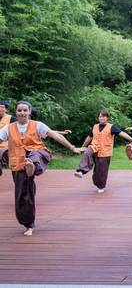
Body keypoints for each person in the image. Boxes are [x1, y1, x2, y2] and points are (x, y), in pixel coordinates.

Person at [0, 101, 81, 236]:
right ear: (16, 112)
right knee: (23, 194)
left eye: (25, 110)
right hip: (17, 162)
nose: (22, 113)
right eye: (19, 110)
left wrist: (72, 147)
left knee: (34, 157)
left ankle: (32, 168)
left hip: (36, 155)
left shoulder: (38, 125)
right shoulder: (8, 128)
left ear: (30, 112)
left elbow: (55, 135)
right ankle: (27, 221)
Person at [74, 110, 132, 193]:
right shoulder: (95, 127)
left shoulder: (111, 127)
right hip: (94, 147)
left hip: (105, 152)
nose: (101, 118)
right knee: (87, 152)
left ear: (107, 118)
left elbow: (122, 133)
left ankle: (101, 186)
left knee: (100, 172)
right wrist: (83, 147)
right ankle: (80, 171)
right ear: (98, 118)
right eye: (100, 116)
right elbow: (89, 137)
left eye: (103, 116)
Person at [0, 101, 17, 175]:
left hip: (6, 146)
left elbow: (25, 124)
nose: (0, 108)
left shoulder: (11, 119)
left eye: (2, 107)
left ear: (6, 109)